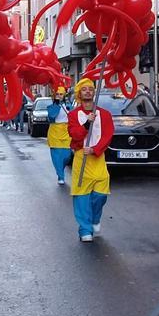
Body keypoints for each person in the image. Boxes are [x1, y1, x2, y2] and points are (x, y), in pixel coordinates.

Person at [67, 78, 114, 242]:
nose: (88, 91)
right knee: (82, 195)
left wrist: (95, 149)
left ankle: (95, 219)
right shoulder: (73, 115)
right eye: (84, 89)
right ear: (79, 93)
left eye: (90, 89)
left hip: (98, 157)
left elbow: (108, 136)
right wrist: (87, 123)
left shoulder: (105, 114)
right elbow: (75, 134)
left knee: (100, 195)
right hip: (82, 158)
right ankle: (85, 229)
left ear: (94, 93)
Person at [46, 85, 73, 186]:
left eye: (61, 94)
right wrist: (56, 104)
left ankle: (60, 169)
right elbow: (52, 116)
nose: (59, 96)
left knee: (67, 156)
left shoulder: (68, 106)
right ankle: (60, 176)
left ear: (64, 95)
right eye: (57, 94)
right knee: (57, 157)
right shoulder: (52, 107)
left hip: (66, 132)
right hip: (55, 133)